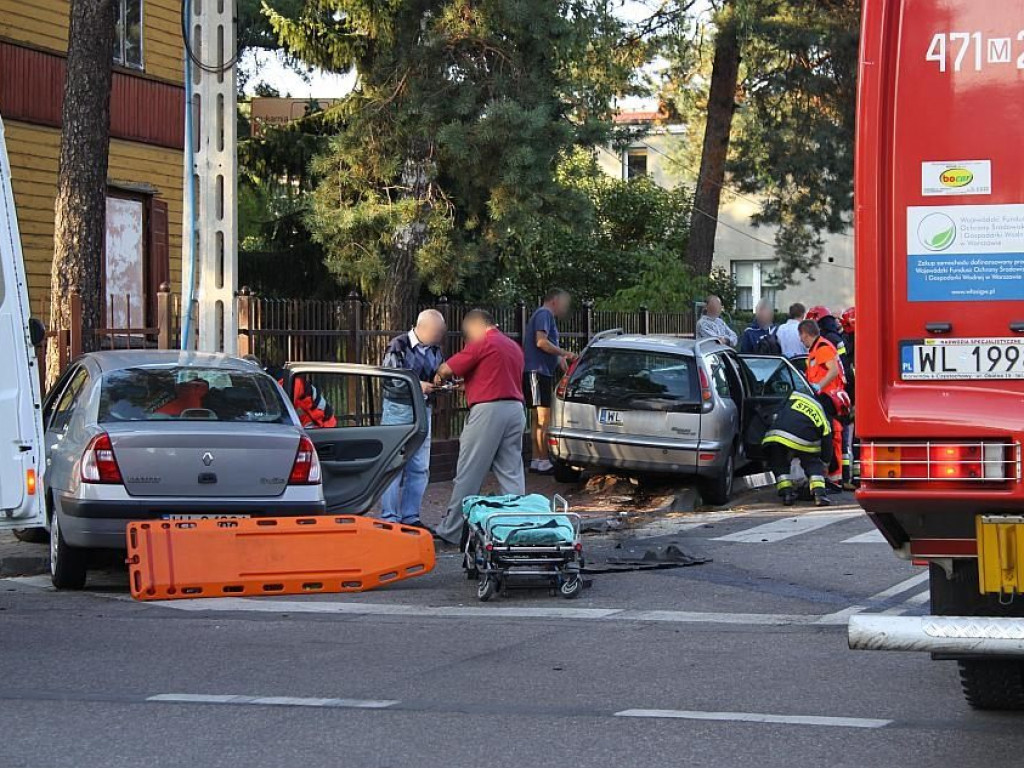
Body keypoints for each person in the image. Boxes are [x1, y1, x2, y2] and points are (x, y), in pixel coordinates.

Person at [432, 310, 527, 545]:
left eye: (468, 335)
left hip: (488, 412)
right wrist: (470, 384)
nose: (468, 339)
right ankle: (517, 527)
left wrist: (438, 377)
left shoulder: (484, 342)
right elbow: (497, 377)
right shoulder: (513, 346)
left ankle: (453, 530)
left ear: (475, 326)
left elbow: (447, 369)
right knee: (511, 472)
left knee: (469, 471)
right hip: (516, 410)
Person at [379, 309, 447, 528]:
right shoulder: (398, 346)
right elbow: (389, 380)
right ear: (422, 328)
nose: (439, 338)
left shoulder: (435, 349)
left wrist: (441, 384)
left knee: (419, 466)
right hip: (399, 409)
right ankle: (390, 517)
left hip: (423, 408)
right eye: (437, 333)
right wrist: (418, 386)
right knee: (394, 464)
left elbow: (438, 373)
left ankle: (411, 516)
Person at [523, 289, 576, 474]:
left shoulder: (544, 316)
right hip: (538, 372)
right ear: (555, 301)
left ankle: (537, 459)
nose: (564, 308)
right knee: (543, 418)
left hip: (538, 371)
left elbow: (551, 349)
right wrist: (565, 353)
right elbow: (541, 342)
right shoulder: (544, 314)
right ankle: (543, 460)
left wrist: (563, 363)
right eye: (563, 303)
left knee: (538, 418)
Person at [762, 390, 833, 507]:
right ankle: (820, 495)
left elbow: (776, 411)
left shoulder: (794, 395)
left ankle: (787, 494)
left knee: (779, 463)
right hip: (803, 439)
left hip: (777, 434)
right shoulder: (821, 413)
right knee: (812, 463)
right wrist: (825, 462)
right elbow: (827, 441)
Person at [799, 318, 848, 486]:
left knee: (833, 437)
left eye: (801, 336)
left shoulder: (822, 347)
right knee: (831, 436)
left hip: (828, 399)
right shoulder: (817, 349)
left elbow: (833, 371)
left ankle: (835, 479)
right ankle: (834, 477)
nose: (801, 341)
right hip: (825, 399)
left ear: (805, 334)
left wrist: (819, 386)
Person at [255, 356, 338, 428]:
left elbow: (281, 413)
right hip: (310, 425)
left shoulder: (287, 382)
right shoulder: (277, 381)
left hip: (321, 425)